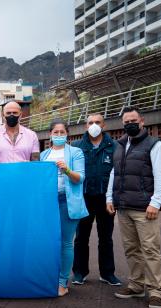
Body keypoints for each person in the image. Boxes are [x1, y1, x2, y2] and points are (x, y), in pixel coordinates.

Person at [106, 107, 161, 308]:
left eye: (133, 120)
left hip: (145, 208)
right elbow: (114, 174)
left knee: (150, 249)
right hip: (123, 207)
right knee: (131, 249)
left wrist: (157, 201)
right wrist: (110, 197)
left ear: (142, 121)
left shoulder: (155, 145)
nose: (130, 124)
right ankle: (136, 285)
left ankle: (156, 290)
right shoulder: (119, 145)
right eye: (126, 121)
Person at [40, 119, 88, 297]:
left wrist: (66, 170)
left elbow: (80, 178)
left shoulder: (76, 152)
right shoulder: (44, 155)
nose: (59, 135)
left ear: (67, 134)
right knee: (50, 241)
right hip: (48, 203)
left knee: (67, 243)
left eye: (62, 132)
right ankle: (51, 277)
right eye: (55, 132)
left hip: (67, 202)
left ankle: (63, 282)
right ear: (50, 134)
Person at [72, 114, 121, 286]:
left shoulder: (114, 146)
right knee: (81, 237)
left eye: (97, 122)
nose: (94, 125)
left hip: (105, 199)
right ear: (85, 127)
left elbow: (118, 173)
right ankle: (79, 272)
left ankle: (107, 273)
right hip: (84, 198)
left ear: (104, 125)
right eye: (90, 123)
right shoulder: (77, 146)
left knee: (106, 237)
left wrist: (113, 198)